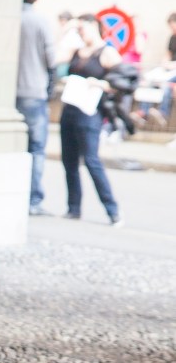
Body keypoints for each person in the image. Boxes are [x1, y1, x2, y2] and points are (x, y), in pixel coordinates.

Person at [57, 13, 123, 225]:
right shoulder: (76, 50)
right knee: (69, 161)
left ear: (94, 26)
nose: (80, 33)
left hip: (90, 112)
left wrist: (101, 84)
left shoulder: (107, 52)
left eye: (82, 29)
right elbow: (55, 57)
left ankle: (112, 210)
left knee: (92, 161)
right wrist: (67, 31)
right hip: (70, 108)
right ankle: (73, 207)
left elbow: (124, 81)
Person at [15, 0, 57, 215]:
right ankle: (33, 200)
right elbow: (51, 58)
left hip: (9, 93)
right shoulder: (40, 21)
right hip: (33, 91)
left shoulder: (11, 19)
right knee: (36, 149)